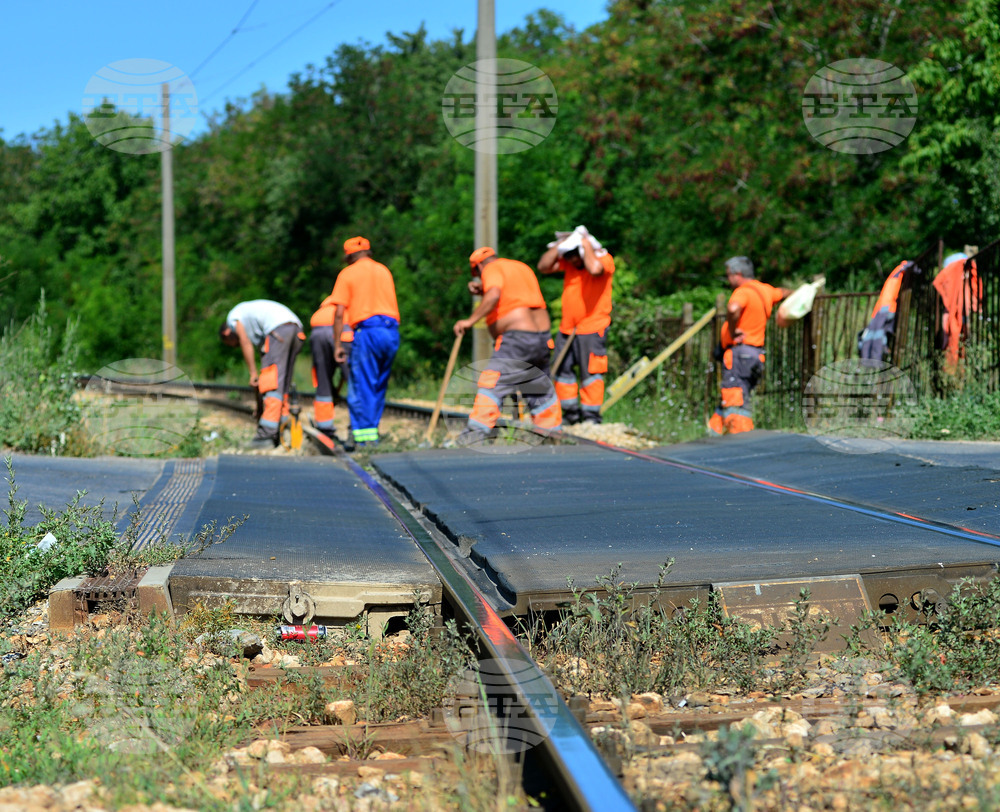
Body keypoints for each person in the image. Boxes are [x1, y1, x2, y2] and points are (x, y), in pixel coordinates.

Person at [453, 247, 562, 444]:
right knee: (539, 387)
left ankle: (474, 435)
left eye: (477, 273)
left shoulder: (490, 269)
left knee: (492, 382)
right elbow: (516, 296)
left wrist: (470, 321)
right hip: (542, 338)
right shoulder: (520, 267)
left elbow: (494, 294)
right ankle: (552, 435)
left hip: (517, 339)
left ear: (478, 266)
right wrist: (482, 289)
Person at [537, 225, 615, 424]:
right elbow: (543, 267)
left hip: (592, 328)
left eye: (574, 254)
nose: (571, 259)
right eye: (568, 255)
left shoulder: (603, 260)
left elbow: (595, 269)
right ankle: (570, 416)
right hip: (567, 329)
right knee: (563, 372)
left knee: (591, 373)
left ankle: (591, 418)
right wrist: (561, 245)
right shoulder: (570, 265)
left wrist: (585, 243)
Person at [329, 236, 400, 448]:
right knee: (378, 384)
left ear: (349, 255)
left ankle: (362, 438)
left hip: (368, 331)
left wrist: (338, 345)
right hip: (391, 332)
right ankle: (372, 433)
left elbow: (339, 313)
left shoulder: (348, 273)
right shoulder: (383, 270)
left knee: (361, 385)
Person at [708, 256, 790, 436]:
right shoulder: (765, 290)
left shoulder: (742, 291)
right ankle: (712, 439)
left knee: (735, 399)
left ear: (738, 274)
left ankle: (741, 441)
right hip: (755, 354)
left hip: (738, 354)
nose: (728, 279)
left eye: (729, 275)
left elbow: (732, 309)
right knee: (732, 396)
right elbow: (784, 293)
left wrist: (732, 329)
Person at [220, 299, 305, 448]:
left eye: (232, 343)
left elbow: (245, 342)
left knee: (271, 384)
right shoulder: (253, 322)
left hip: (278, 330)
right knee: (281, 384)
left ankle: (266, 435)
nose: (236, 345)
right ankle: (283, 427)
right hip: (296, 330)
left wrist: (253, 373)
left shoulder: (233, 317)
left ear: (227, 333)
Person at [309, 295, 353, 440]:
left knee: (323, 381)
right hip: (344, 328)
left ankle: (324, 427)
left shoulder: (325, 306)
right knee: (354, 381)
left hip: (317, 329)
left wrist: (337, 388)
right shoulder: (347, 306)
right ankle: (357, 429)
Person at [858, 260, 917, 366]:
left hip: (882, 307)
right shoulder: (901, 270)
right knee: (879, 334)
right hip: (887, 306)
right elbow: (911, 267)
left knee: (877, 333)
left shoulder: (895, 272)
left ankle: (872, 358)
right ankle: (876, 360)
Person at [932, 250, 981, 374]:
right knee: (951, 341)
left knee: (962, 341)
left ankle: (958, 372)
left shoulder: (964, 279)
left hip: (962, 313)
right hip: (953, 313)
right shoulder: (955, 272)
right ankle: (951, 373)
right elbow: (938, 283)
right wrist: (949, 301)